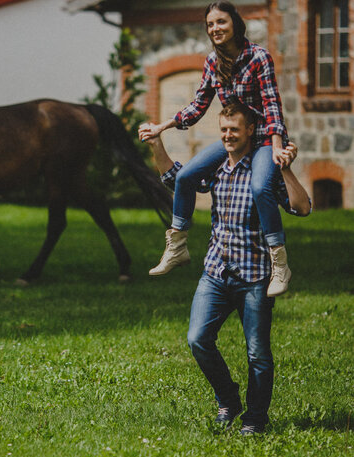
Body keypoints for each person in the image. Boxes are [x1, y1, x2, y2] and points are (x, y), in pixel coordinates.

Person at [140, 102, 311, 436]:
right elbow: (178, 180)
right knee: (198, 339)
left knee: (258, 353)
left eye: (235, 129)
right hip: (216, 273)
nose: (229, 136)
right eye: (224, 131)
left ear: (250, 130)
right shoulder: (215, 166)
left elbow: (302, 208)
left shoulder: (264, 171)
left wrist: (287, 169)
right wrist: (156, 144)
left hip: (255, 278)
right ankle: (228, 400)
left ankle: (255, 419)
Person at [138, 1, 294, 297]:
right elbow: (198, 105)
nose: (215, 29)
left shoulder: (259, 57)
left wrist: (276, 146)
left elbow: (272, 104)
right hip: (234, 140)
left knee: (261, 188)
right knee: (185, 178)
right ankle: (178, 246)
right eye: (210, 25)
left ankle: (280, 264)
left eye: (221, 22)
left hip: (262, 139)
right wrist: (162, 126)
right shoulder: (213, 62)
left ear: (235, 23)